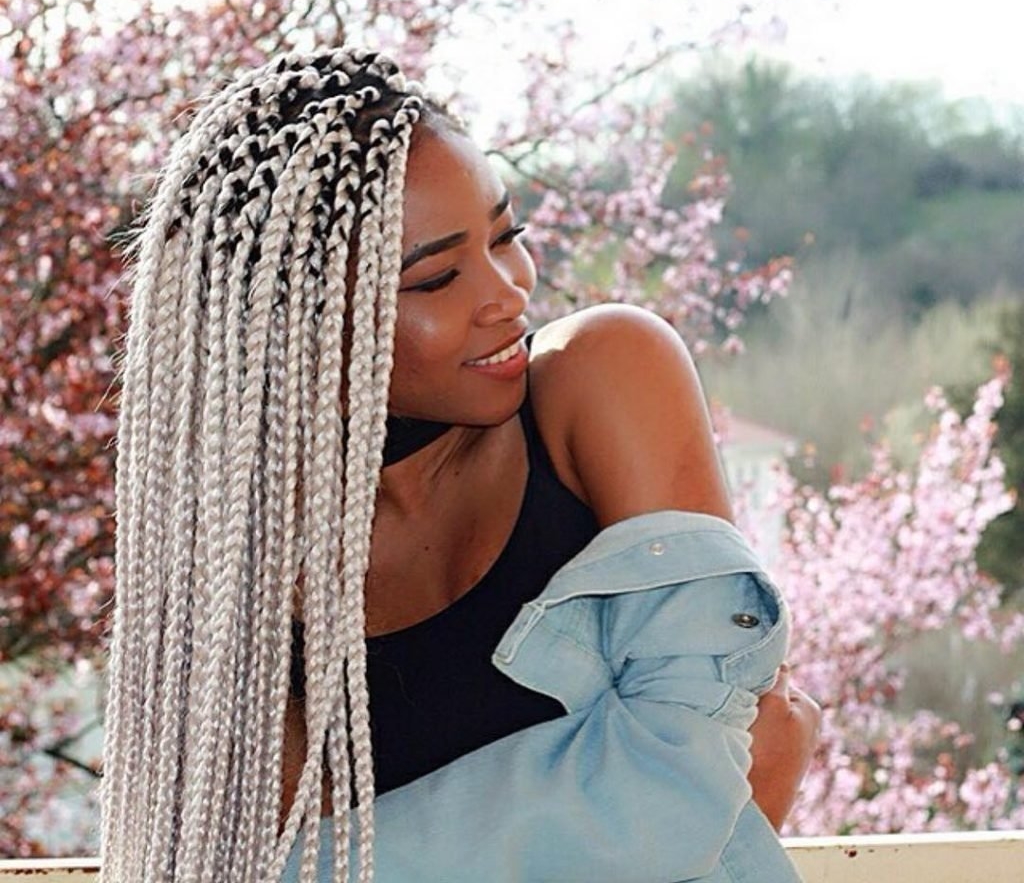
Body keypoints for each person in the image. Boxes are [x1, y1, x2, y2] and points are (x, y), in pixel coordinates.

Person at [101, 47, 820, 883]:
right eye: (436, 278)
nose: (508, 292)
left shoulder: (605, 375)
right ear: (296, 325)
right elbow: (698, 799)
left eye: (507, 236)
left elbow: (689, 771)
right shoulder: (243, 570)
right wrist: (701, 812)